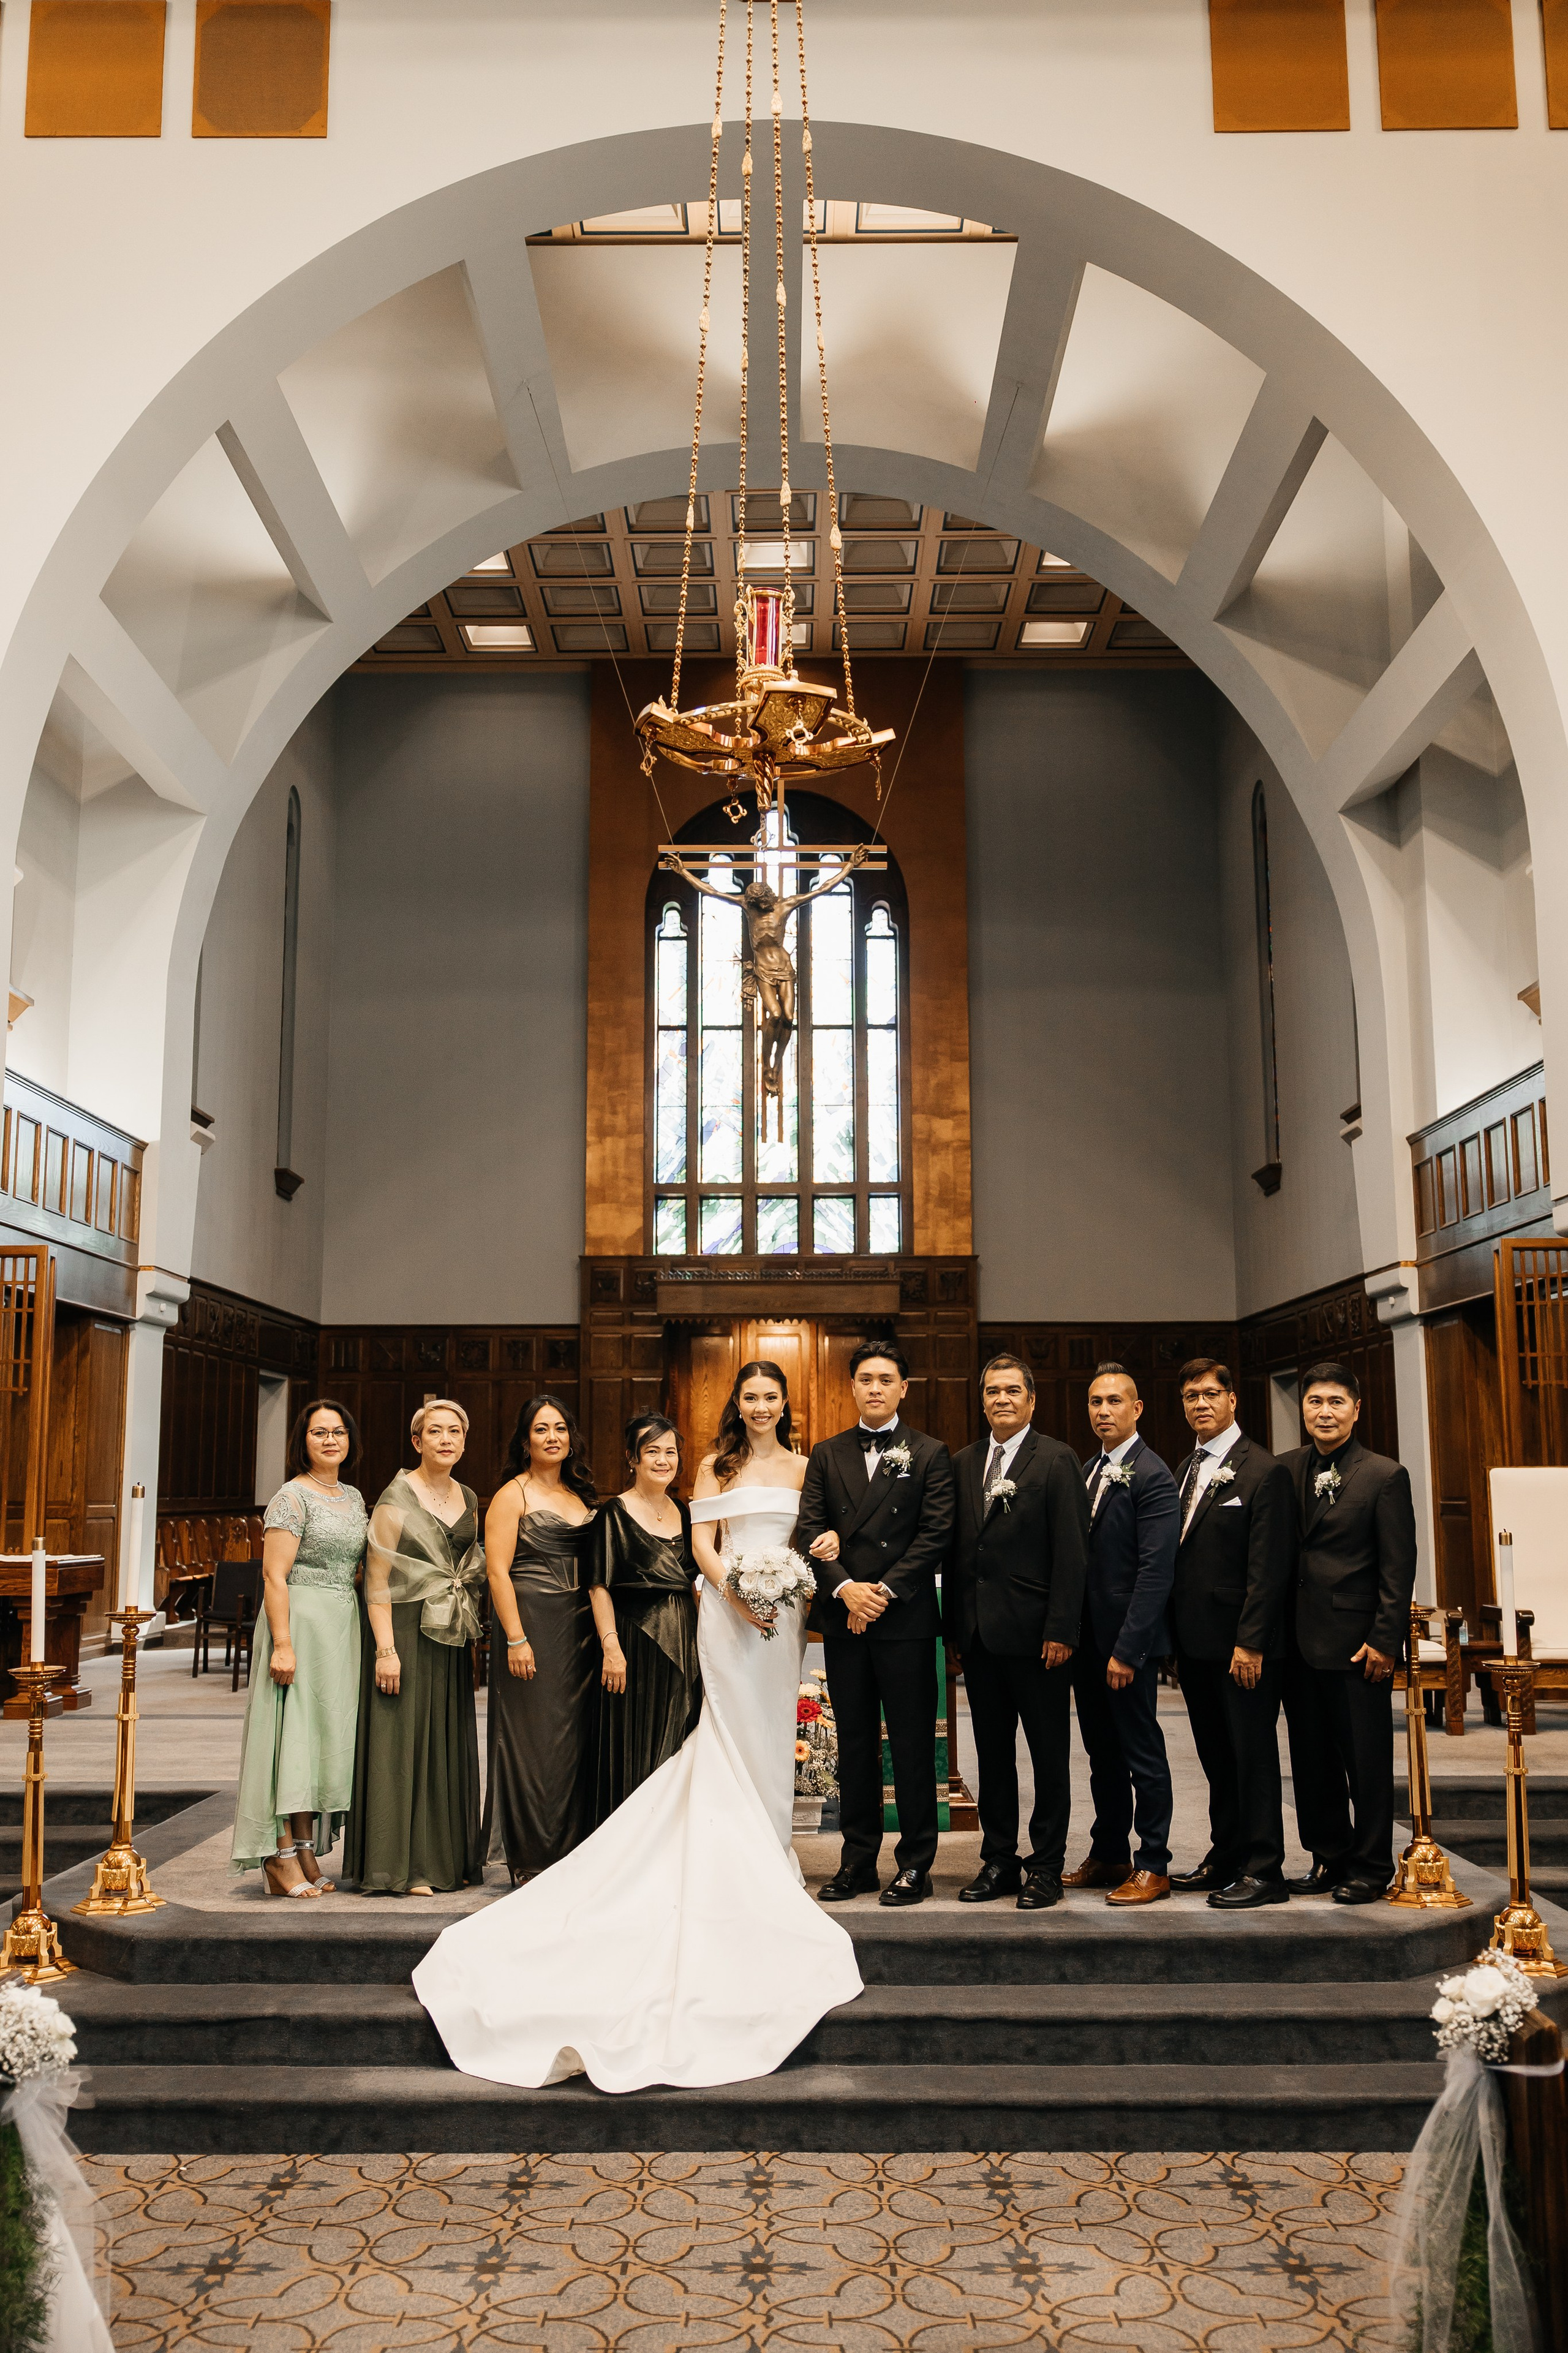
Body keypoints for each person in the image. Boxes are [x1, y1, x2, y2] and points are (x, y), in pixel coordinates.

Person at [412, 1359, 862, 2091]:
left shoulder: (809, 1465)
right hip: (728, 1610)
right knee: (719, 1730)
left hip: (784, 1616)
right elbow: (704, 1548)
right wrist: (740, 1595)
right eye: (747, 1395)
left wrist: (814, 1566)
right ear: (736, 1404)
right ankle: (728, 1851)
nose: (758, 1405)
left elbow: (816, 1532)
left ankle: (772, 1847)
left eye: (769, 1396)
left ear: (785, 1402)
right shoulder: (710, 1468)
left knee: (774, 1730)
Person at [796, 1339, 956, 1909]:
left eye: (886, 1379)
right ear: (853, 1386)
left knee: (911, 1745)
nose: (875, 1387)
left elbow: (936, 1534)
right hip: (846, 1619)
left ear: (903, 1388)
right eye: (865, 1378)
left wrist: (882, 1591)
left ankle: (916, 1864)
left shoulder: (931, 1452)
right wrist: (846, 1588)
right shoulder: (826, 1452)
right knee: (856, 1744)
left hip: (904, 1619)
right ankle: (858, 1860)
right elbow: (809, 1529)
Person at [946, 1354, 1089, 1912]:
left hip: (1039, 1640)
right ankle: (1000, 1858)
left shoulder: (1056, 1459)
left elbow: (1073, 1554)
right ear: (981, 1400)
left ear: (1032, 1399)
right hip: (981, 1638)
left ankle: (1046, 1864)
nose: (1001, 1399)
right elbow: (961, 1552)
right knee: (993, 1755)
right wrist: (957, 1629)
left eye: (1012, 1390)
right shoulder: (964, 1462)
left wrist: (1062, 1628)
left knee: (1050, 1755)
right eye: (992, 1391)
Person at [1279, 1361, 1417, 1904]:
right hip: (1298, 1643)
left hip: (1359, 1644)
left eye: (1336, 1401)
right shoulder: (1286, 1469)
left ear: (1356, 1409)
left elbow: (1397, 1566)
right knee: (1312, 1761)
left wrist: (1386, 1639)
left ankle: (1370, 1864)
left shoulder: (1384, 1475)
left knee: (1365, 1761)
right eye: (1315, 1401)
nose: (1324, 1411)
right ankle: (1328, 1856)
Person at [1166, 1357, 1296, 1910]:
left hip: (1241, 1646)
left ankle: (1265, 1867)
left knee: (1254, 1755)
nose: (1201, 1403)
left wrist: (1252, 1641)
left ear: (1232, 1399)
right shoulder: (1185, 1468)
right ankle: (1226, 1853)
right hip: (1195, 1644)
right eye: (1192, 1395)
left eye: (1210, 1393)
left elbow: (1269, 1569)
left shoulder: (1263, 1471)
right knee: (1216, 1756)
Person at [344, 1399, 488, 1897]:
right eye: (435, 1431)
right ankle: (400, 1866)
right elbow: (377, 1582)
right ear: (417, 1441)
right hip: (403, 1631)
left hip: (447, 1634)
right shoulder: (394, 1499)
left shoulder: (468, 1496)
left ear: (464, 1441)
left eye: (455, 1431)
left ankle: (443, 1858)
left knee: (443, 1745)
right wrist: (385, 1650)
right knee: (401, 1745)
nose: (446, 1439)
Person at [230, 1399, 367, 1897]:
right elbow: (273, 1574)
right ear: (302, 1441)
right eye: (318, 1432)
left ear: (350, 1440)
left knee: (318, 1738)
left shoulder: (353, 1497)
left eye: (338, 1431)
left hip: (339, 1626)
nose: (329, 1439)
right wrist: (282, 1644)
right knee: (288, 1738)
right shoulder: (291, 1496)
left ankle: (307, 1849)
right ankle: (279, 1854)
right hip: (297, 1624)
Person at [1065, 1362, 1179, 1906]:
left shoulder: (1152, 1473)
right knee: (1101, 1755)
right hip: (1087, 1644)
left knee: (1142, 1753)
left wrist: (1128, 1649)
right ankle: (1110, 1850)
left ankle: (1154, 1862)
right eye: (1095, 1402)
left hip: (1126, 1647)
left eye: (1114, 1401)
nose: (1103, 1411)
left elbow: (1156, 1571)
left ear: (1136, 1409)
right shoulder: (1089, 1469)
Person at [482, 1393, 598, 1883]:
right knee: (530, 1739)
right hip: (532, 1625)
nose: (552, 1437)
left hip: (581, 1631)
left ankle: (570, 1846)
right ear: (525, 1439)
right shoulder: (514, 1493)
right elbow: (497, 1570)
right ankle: (529, 1855)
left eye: (560, 1428)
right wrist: (514, 1636)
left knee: (572, 1742)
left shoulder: (582, 1497)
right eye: (541, 1429)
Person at [587, 1411, 701, 1823]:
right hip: (636, 1642)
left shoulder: (686, 1512)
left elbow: (694, 1581)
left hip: (684, 1637)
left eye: (670, 1451)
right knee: (637, 1742)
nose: (662, 1460)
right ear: (632, 1458)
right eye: (652, 1450)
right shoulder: (612, 1513)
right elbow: (599, 1585)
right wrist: (611, 1646)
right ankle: (633, 1834)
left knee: (680, 1738)